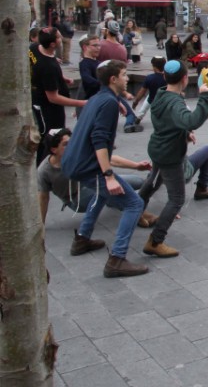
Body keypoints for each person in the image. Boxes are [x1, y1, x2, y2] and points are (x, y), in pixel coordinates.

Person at [61, 60, 149, 278]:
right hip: (89, 166)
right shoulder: (107, 103)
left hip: (74, 163)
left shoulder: (98, 98)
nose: (127, 78)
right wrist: (108, 175)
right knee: (133, 203)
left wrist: (118, 100)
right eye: (124, 74)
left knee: (101, 195)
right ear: (113, 79)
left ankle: (82, 239)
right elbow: (99, 140)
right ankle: (117, 259)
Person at [142, 60, 208, 258]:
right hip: (169, 154)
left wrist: (184, 133)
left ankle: (135, 210)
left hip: (158, 148)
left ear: (165, 77)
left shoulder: (161, 94)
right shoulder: (175, 101)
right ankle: (155, 241)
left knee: (153, 182)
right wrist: (204, 96)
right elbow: (191, 120)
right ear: (185, 79)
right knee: (176, 199)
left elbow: (170, 121)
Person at [37, 128, 157, 228]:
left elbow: (109, 158)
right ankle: (139, 214)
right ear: (54, 150)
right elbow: (43, 198)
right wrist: (40, 225)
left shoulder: (77, 153)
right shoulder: (44, 171)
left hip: (92, 183)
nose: (71, 146)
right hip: (76, 198)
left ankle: (117, 202)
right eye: (65, 145)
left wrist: (137, 166)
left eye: (72, 142)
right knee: (110, 190)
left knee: (138, 181)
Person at [31, 27, 85, 165]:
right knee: (50, 138)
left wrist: (61, 78)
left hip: (37, 95)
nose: (62, 38)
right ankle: (44, 167)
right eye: (59, 37)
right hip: (48, 108)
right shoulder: (48, 67)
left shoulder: (35, 48)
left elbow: (39, 69)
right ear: (53, 44)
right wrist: (82, 103)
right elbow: (53, 97)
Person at [132, 56, 167, 125]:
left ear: (154, 67)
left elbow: (142, 92)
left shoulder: (149, 78)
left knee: (148, 99)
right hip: (165, 100)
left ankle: (139, 116)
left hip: (152, 99)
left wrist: (136, 102)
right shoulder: (167, 77)